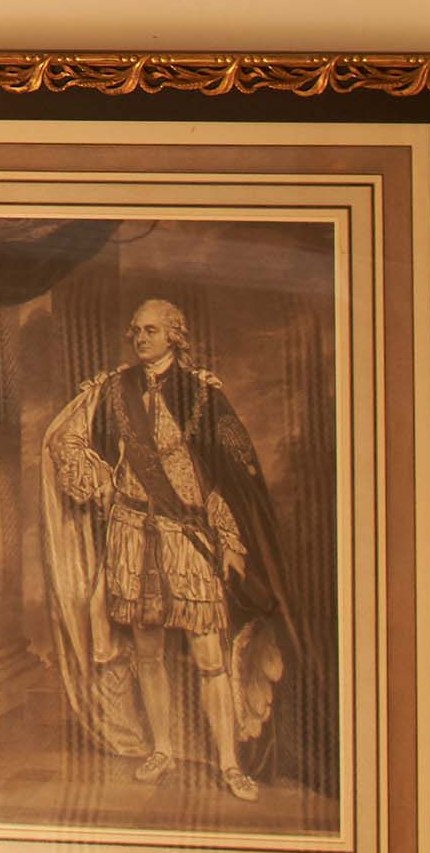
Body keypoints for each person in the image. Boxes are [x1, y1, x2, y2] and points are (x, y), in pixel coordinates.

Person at [39, 299, 295, 800]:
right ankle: (162, 749)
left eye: (150, 331)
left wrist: (229, 538)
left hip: (187, 536)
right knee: (148, 651)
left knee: (208, 655)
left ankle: (228, 763)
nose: (139, 339)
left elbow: (229, 477)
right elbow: (63, 440)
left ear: (174, 336)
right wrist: (101, 484)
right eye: (134, 331)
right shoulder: (114, 390)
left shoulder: (201, 393)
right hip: (132, 533)